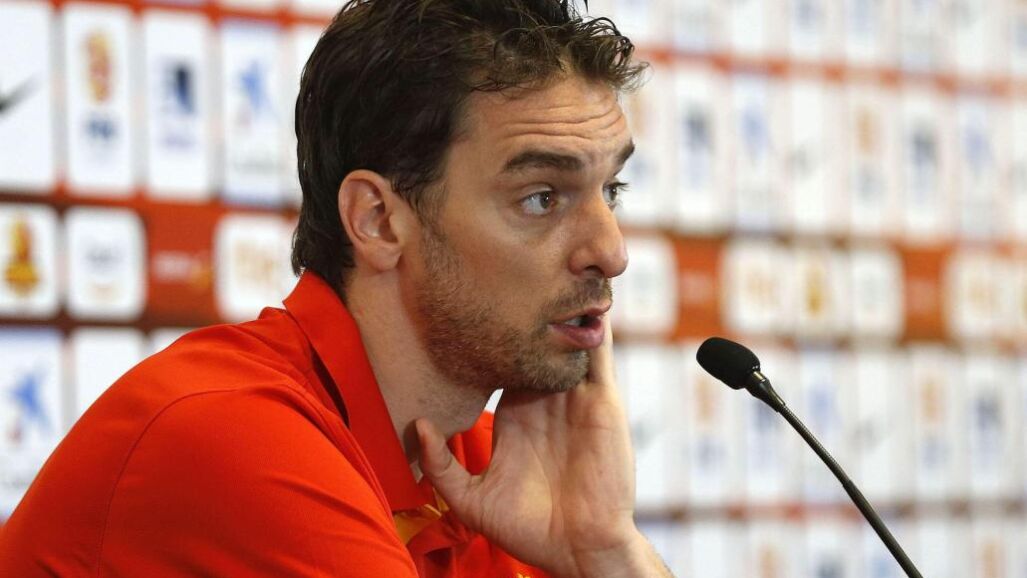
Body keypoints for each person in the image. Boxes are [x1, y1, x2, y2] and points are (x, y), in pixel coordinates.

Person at [0, 0, 674, 576]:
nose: (611, 252)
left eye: (610, 190)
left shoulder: (478, 461)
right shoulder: (236, 439)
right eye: (541, 197)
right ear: (378, 221)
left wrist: (606, 551)